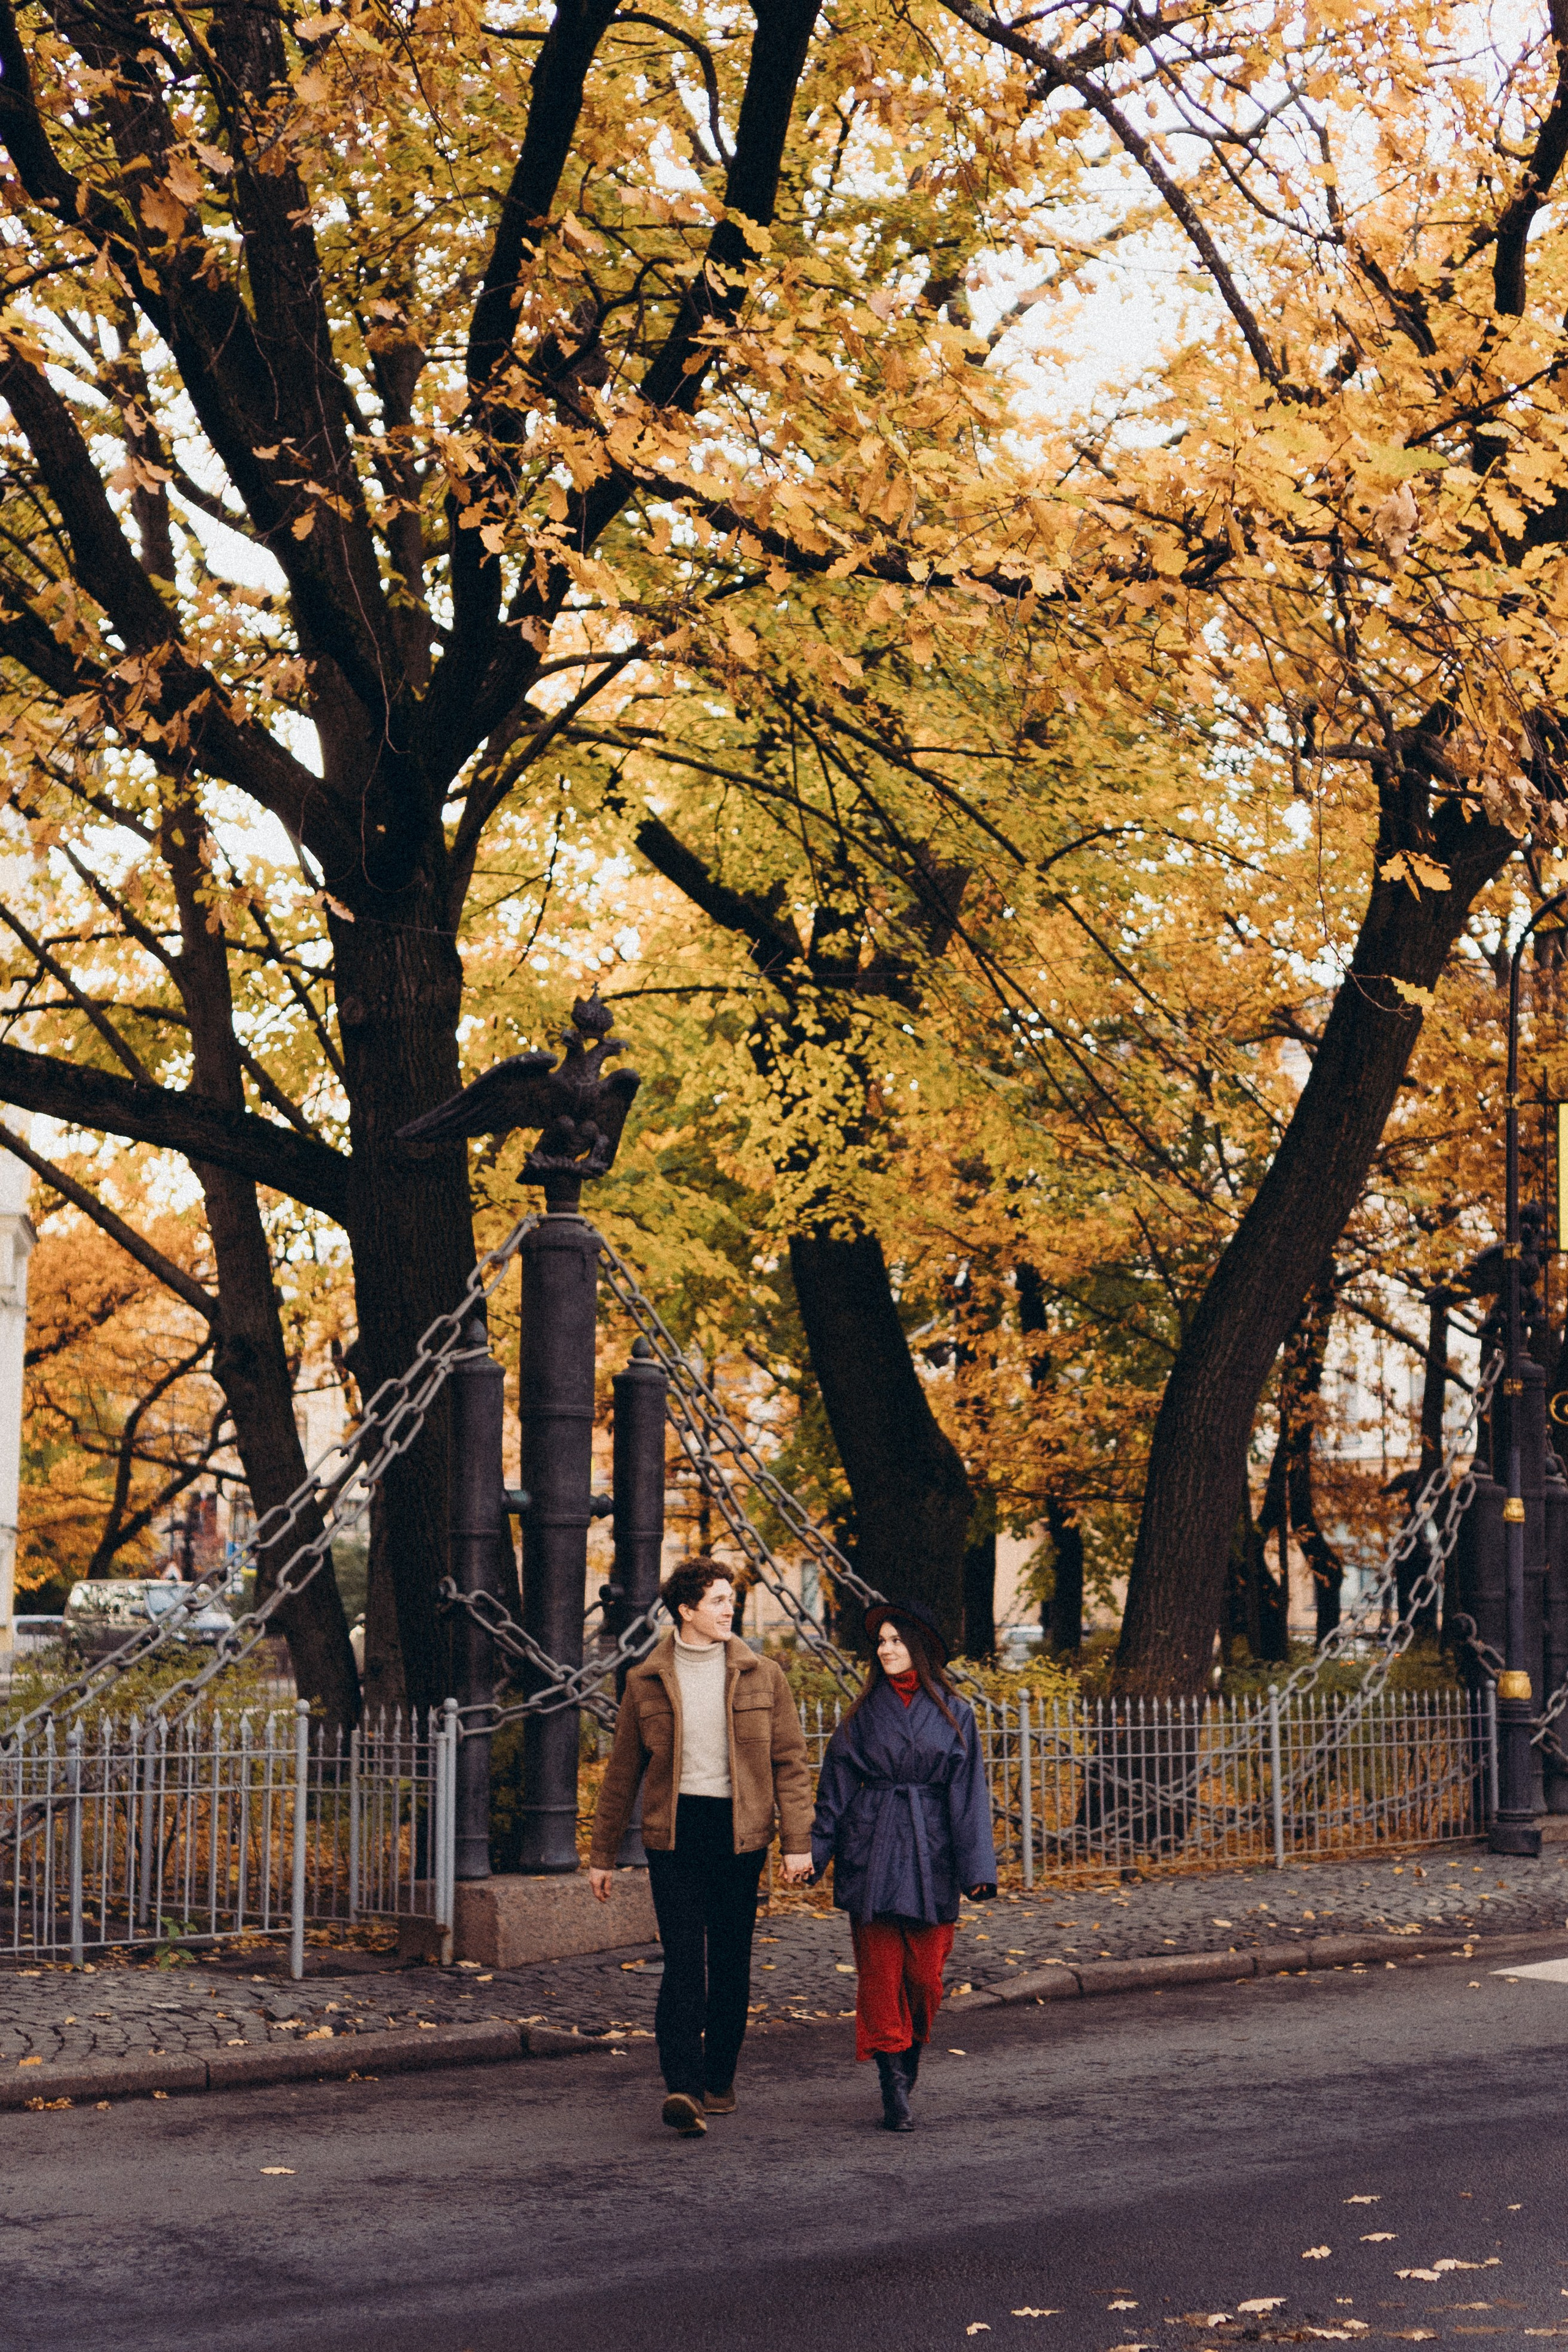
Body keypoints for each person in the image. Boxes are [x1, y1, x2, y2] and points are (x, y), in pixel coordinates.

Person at [589, 1557, 813, 2137]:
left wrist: (797, 1842)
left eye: (729, 1600)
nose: (728, 1609)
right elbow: (622, 1775)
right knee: (685, 1963)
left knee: (731, 1961)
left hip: (741, 1836)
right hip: (675, 1834)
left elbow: (790, 1764)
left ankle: (720, 2080)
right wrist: (602, 1854)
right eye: (717, 1601)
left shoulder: (763, 1674)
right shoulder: (646, 1680)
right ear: (686, 1611)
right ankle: (682, 2087)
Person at [810, 1599, 997, 2132]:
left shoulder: (957, 1713)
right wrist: (815, 1855)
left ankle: (910, 2053)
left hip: (933, 1847)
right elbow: (834, 1792)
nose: (886, 1649)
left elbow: (969, 1795)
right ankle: (892, 2083)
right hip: (872, 1847)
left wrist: (978, 1869)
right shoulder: (863, 1713)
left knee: (925, 1976)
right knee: (879, 1973)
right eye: (882, 1642)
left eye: (896, 1640)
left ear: (919, 1648)